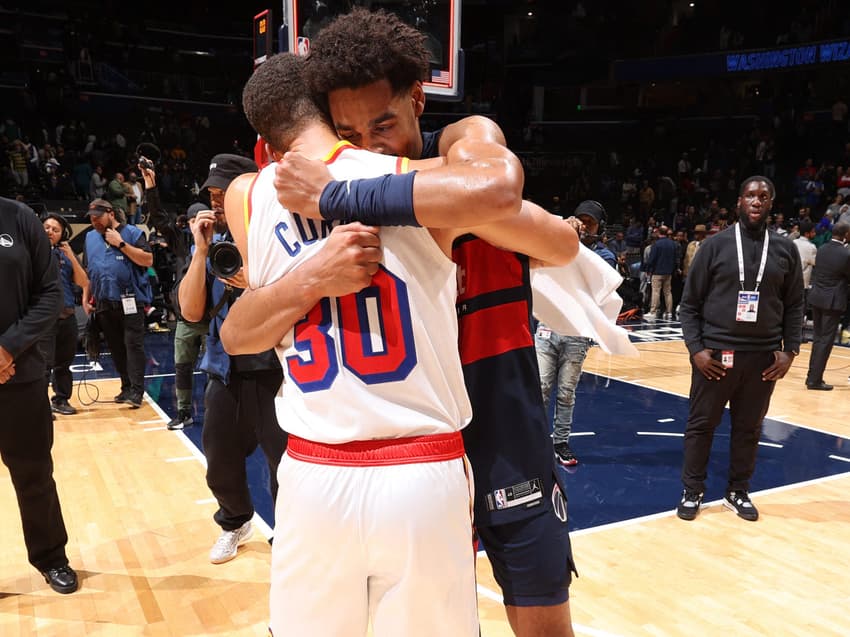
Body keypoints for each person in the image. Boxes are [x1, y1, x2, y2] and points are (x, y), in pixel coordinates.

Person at [223, 50, 577, 636]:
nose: (371, 144)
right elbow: (237, 332)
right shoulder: (393, 182)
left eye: (381, 125)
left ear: (417, 99)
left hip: (494, 415)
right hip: (417, 446)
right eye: (349, 134)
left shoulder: (455, 154)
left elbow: (544, 230)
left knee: (541, 619)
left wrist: (339, 195)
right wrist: (316, 270)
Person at [177, 154, 287, 562]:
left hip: (278, 371)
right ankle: (235, 521)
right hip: (225, 370)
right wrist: (200, 252)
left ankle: (292, 533)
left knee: (285, 465)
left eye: (223, 193)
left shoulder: (277, 235)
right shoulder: (214, 247)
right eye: (212, 194)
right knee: (219, 457)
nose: (216, 202)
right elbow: (190, 312)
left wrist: (255, 283)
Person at [677, 176, 804, 522]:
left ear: (771, 203)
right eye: (751, 195)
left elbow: (795, 305)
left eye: (764, 196)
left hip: (763, 359)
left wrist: (789, 350)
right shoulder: (715, 246)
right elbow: (689, 304)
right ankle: (693, 490)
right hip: (715, 357)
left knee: (749, 429)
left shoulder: (784, 249)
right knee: (702, 425)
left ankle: (737, 491)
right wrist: (696, 350)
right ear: (739, 201)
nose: (756, 201)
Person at [0, 196, 78, 594]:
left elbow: (50, 295)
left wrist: (8, 348)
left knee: (34, 475)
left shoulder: (19, 217)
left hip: (21, 374)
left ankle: (51, 557)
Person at [537, 200, 616, 469]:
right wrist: (559, 228)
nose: (583, 225)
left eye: (589, 222)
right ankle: (535, 440)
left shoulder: (605, 257)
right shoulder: (558, 240)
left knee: (566, 392)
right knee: (541, 387)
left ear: (599, 227)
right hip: (548, 327)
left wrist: (573, 241)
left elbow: (594, 283)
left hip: (577, 334)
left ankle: (560, 441)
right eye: (579, 219)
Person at [83, 197, 153, 408]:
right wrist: (86, 298)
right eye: (92, 218)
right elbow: (88, 270)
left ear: (110, 214)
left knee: (133, 346)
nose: (95, 221)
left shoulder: (132, 233)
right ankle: (126, 387)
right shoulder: (89, 238)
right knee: (116, 348)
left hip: (130, 300)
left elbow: (147, 260)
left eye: (98, 217)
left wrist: (121, 244)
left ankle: (137, 391)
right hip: (104, 301)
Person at [40, 213, 89, 416]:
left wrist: (71, 256)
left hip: (67, 316)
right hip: (44, 318)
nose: (50, 231)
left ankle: (60, 400)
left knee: (64, 363)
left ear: (63, 235)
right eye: (46, 227)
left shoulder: (65, 254)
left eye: (55, 229)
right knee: (43, 366)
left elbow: (83, 282)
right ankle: (39, 407)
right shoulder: (32, 252)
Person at [804, 222, 850, 390]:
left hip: (817, 297)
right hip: (832, 301)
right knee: (825, 341)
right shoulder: (846, 254)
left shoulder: (822, 248)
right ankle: (815, 380)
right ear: (845, 234)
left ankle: (811, 376)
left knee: (817, 339)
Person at [644, 224, 677, 320]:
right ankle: (669, 312)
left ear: (659, 232)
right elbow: (675, 259)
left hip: (657, 271)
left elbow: (652, 259)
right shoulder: (672, 244)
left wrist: (648, 269)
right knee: (668, 292)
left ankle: (653, 311)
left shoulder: (657, 244)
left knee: (656, 292)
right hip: (668, 272)